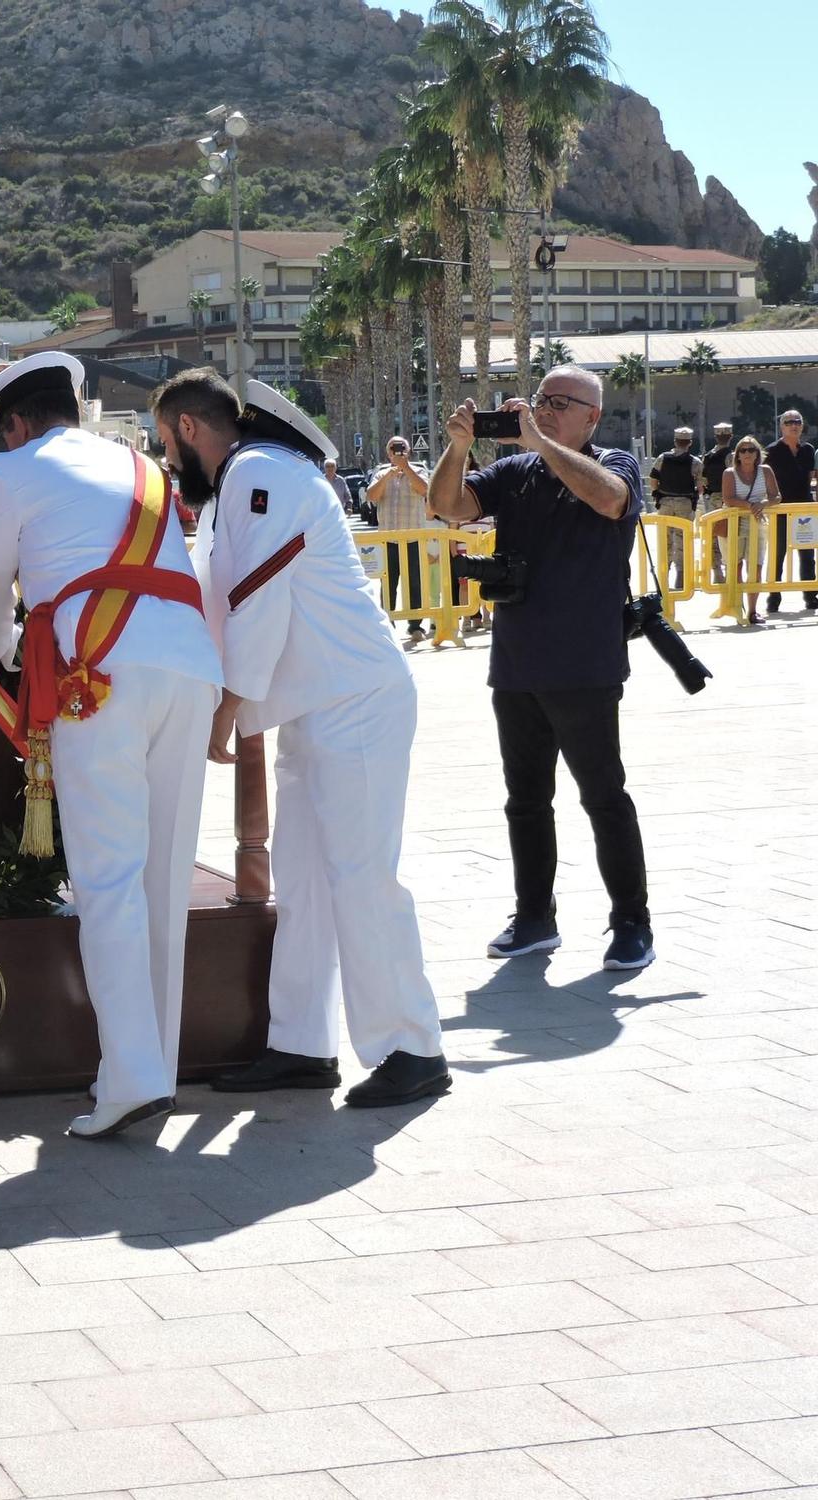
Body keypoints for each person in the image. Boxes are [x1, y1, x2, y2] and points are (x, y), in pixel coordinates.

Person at [157, 371, 449, 1109]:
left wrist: (225, 709)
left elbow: (258, 601)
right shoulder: (237, 490)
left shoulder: (260, 473)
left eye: (166, 441)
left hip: (354, 701)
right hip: (315, 709)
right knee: (307, 883)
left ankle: (412, 1046)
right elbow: (212, 596)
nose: (167, 459)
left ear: (189, 428)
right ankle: (302, 1044)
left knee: (361, 877)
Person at [0, 354, 223, 1137]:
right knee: (163, 877)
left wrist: (11, 648)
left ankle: (132, 1079)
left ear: (14, 423)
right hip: (186, 665)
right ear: (72, 409)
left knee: (108, 880)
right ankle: (151, 1067)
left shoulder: (10, 472)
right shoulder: (139, 464)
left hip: (95, 673)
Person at [427, 365, 655, 971]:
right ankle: (534, 917)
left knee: (603, 797)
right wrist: (457, 448)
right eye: (540, 399)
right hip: (518, 664)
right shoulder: (516, 470)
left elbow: (609, 499)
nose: (546, 409)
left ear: (592, 417)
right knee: (525, 800)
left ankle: (632, 922)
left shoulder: (615, 463)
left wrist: (541, 443)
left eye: (561, 402)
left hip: (585, 664)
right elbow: (447, 505)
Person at [366, 435, 432, 638]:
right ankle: (388, 624)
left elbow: (424, 490)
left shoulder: (419, 470)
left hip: (413, 539)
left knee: (415, 582)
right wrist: (389, 475)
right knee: (388, 583)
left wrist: (406, 468)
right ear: (388, 453)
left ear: (409, 451)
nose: (398, 451)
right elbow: (371, 496)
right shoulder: (381, 473)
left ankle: (415, 625)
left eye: (402, 448)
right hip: (388, 541)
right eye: (394, 448)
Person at [723, 435, 778, 627]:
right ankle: (738, 607)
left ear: (757, 453)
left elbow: (776, 496)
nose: (747, 454)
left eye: (751, 450)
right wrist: (750, 505)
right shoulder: (730, 473)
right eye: (743, 450)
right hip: (735, 522)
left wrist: (762, 503)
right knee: (735, 566)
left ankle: (753, 610)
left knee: (756, 566)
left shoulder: (766, 471)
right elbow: (728, 498)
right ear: (737, 454)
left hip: (758, 522)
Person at [764, 410, 816, 613]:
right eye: (789, 422)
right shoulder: (772, 450)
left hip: (804, 508)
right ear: (781, 426)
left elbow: (809, 476)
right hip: (780, 508)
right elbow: (766, 481)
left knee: (807, 554)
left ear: (802, 426)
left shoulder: (808, 449)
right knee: (778, 554)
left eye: (797, 422)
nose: (793, 425)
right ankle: (773, 598)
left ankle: (811, 596)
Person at [649, 426, 703, 588]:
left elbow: (653, 480)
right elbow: (700, 487)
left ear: (675, 441)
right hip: (684, 504)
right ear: (690, 443)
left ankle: (663, 578)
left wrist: (657, 493)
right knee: (682, 539)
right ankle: (680, 577)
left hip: (665, 502)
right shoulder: (695, 462)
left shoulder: (662, 458)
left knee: (664, 539)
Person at [700, 421, 735, 584]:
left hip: (712, 498)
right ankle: (730, 570)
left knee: (714, 534)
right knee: (730, 534)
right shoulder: (731, 456)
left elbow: (703, 480)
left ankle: (717, 571)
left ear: (716, 437)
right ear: (731, 437)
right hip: (728, 498)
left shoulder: (707, 456)